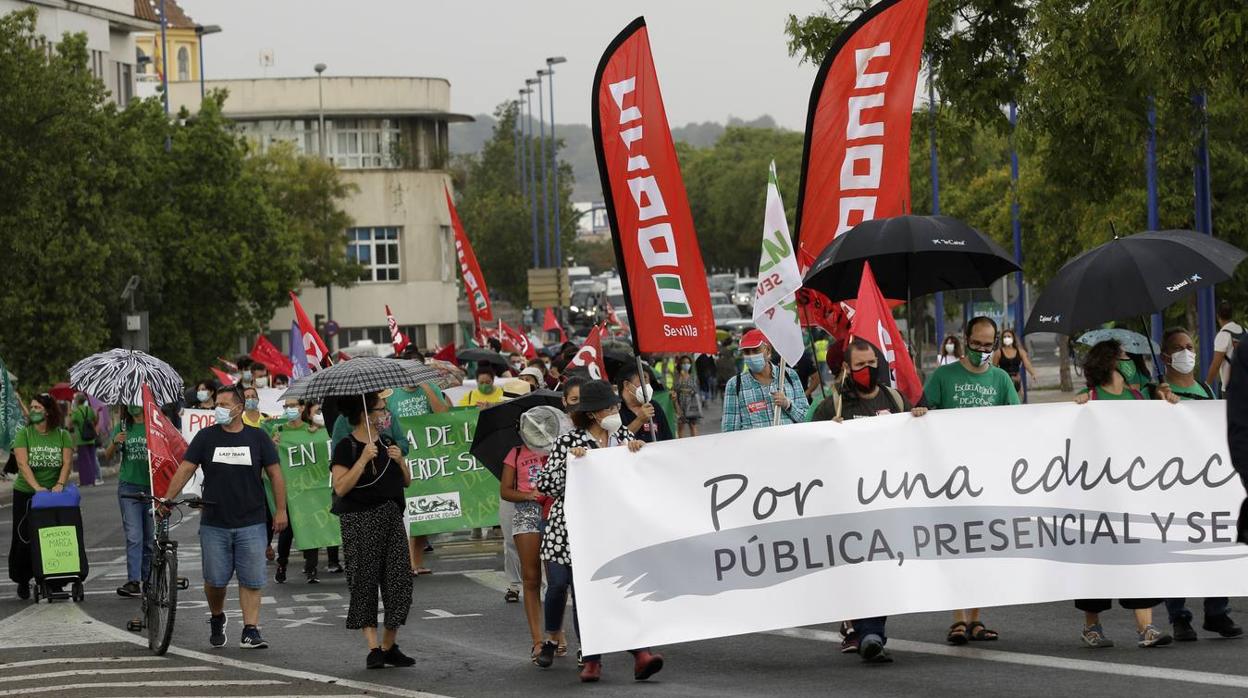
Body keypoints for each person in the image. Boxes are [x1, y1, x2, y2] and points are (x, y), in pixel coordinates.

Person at [534, 380, 663, 682]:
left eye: (616, 405)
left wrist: (637, 452)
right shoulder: (569, 442)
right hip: (570, 533)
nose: (615, 411)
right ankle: (592, 659)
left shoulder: (622, 437)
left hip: (610, 529)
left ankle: (637, 653)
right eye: (609, 407)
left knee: (618, 589)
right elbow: (545, 484)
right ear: (592, 413)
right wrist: (571, 464)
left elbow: (640, 477)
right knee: (582, 593)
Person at [812, 339, 927, 663]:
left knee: (882, 570)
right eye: (860, 365)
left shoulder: (894, 399)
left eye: (872, 363)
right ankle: (868, 632)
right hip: (847, 506)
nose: (868, 370)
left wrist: (918, 415)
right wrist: (825, 432)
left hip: (888, 502)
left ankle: (869, 632)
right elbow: (806, 449)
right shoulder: (831, 406)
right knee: (860, 572)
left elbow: (918, 441)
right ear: (847, 368)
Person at [162, 385, 287, 649]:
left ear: (239, 408)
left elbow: (276, 474)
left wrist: (281, 510)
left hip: (252, 521)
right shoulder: (206, 438)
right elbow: (186, 469)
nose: (218, 408)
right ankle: (217, 616)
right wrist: (167, 499)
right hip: (214, 523)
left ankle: (250, 629)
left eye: (224, 404)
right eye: (217, 403)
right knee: (215, 582)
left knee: (251, 580)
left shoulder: (258, 438)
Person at [1070, 341, 1176, 647]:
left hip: (1132, 493)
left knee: (1137, 556)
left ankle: (1146, 627)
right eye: (1125, 357)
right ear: (1110, 362)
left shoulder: (1137, 396)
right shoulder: (1089, 398)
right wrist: (1076, 408)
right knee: (1097, 560)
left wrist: (1165, 400)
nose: (1131, 362)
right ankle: (1092, 626)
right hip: (1097, 495)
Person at [924, 317, 1019, 644]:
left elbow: (1019, 423)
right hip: (949, 479)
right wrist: (922, 413)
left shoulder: (1001, 379)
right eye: (976, 343)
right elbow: (921, 414)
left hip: (987, 478)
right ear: (964, 340)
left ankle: (976, 619)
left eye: (987, 344)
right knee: (954, 549)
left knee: (981, 550)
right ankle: (956, 620)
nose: (981, 349)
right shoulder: (943, 376)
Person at [1156, 328, 1242, 640]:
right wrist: (1160, 402)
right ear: (1166, 357)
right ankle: (1179, 616)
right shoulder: (1158, 393)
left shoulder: (1206, 389)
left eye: (1190, 346)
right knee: (1177, 547)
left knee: (1215, 544)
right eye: (1180, 348)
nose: (1187, 352)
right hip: (1172, 483)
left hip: (1206, 480)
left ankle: (1217, 612)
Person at [330, 391, 416, 669]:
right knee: (364, 580)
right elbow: (341, 487)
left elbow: (407, 483)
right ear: (366, 415)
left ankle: (389, 644)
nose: (385, 414)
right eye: (380, 410)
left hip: (391, 516)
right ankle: (373, 647)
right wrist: (364, 459)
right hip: (359, 520)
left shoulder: (389, 442)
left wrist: (400, 461)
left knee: (399, 580)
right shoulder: (347, 447)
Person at [503, 406, 564, 664]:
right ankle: (538, 641)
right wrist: (528, 495)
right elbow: (506, 491)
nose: (535, 428)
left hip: (555, 512)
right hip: (527, 512)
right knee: (531, 578)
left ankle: (556, 635)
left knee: (557, 579)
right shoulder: (515, 453)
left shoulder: (559, 448)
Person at [385, 358, 448, 576]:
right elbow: (385, 422)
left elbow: (443, 415)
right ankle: (407, 562)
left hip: (429, 460)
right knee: (407, 511)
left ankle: (417, 561)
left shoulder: (429, 388)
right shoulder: (391, 393)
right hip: (404, 457)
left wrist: (426, 388)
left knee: (424, 511)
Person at [8, 394, 73, 599]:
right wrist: (36, 487)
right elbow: (22, 464)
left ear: (47, 411)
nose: (33, 410)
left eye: (37, 407)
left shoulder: (62, 435)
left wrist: (60, 484)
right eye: (32, 407)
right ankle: (23, 579)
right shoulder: (24, 435)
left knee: (53, 538)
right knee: (24, 538)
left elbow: (67, 463)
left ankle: (55, 580)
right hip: (27, 493)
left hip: (54, 495)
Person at [272, 399, 340, 584]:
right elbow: (271, 458)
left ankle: (311, 568)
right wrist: (274, 445)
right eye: (286, 406)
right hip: (291, 489)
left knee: (312, 526)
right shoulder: (279, 431)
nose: (289, 409)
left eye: (293, 406)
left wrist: (317, 430)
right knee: (289, 530)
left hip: (314, 489)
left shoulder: (313, 429)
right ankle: (282, 562)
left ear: (302, 408)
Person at [721, 329, 809, 432]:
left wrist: (788, 405)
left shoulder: (789, 375)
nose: (751, 355)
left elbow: (807, 418)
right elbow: (730, 430)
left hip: (788, 444)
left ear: (768, 350)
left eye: (755, 350)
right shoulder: (735, 384)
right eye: (746, 352)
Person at [105, 403, 151, 597]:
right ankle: (133, 581)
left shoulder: (153, 425)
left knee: (150, 538)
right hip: (128, 486)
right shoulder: (123, 426)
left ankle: (149, 580)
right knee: (134, 535)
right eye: (130, 402)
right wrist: (115, 442)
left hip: (151, 487)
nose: (134, 406)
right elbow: (108, 456)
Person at [617, 365, 673, 442]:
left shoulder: (654, 406)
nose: (647, 385)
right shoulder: (615, 410)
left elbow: (668, 438)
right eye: (643, 380)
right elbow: (616, 441)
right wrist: (639, 420)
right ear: (626, 385)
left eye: (648, 381)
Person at [1207, 302, 1243, 396]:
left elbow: (1216, 364)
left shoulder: (1223, 335)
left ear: (1217, 316)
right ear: (1232, 315)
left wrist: (1206, 385)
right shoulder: (1245, 331)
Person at [992, 328, 1038, 395]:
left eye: (1009, 336)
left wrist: (1033, 373)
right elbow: (994, 368)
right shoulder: (998, 352)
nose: (1007, 338)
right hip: (1003, 381)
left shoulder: (1020, 351)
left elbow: (1027, 364)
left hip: (1016, 380)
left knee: (1017, 400)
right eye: (1005, 337)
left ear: (1013, 338)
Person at [69, 393, 101, 486]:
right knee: (91, 459)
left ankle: (85, 481)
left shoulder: (76, 411)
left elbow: (70, 423)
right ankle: (93, 479)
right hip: (91, 438)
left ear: (77, 401)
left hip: (81, 439)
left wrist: (71, 413)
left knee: (83, 461)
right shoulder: (90, 409)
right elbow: (95, 421)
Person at [671, 355, 702, 437]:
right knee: (680, 427)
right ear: (680, 364)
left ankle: (695, 444)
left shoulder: (693, 377)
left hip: (692, 406)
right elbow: (674, 391)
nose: (686, 365)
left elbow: (696, 391)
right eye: (684, 363)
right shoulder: (677, 377)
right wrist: (676, 406)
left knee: (693, 426)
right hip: (680, 406)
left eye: (688, 363)